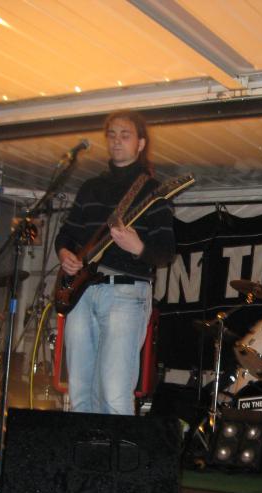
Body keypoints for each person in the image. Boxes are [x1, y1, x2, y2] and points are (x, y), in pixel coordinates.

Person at [55, 110, 175, 415]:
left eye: (125, 135)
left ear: (140, 143)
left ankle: (117, 448)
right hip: (81, 293)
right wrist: (65, 255)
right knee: (79, 392)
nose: (117, 141)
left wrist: (138, 247)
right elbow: (66, 234)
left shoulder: (152, 192)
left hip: (125, 292)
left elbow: (165, 252)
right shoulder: (90, 188)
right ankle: (85, 447)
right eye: (112, 135)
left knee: (114, 392)